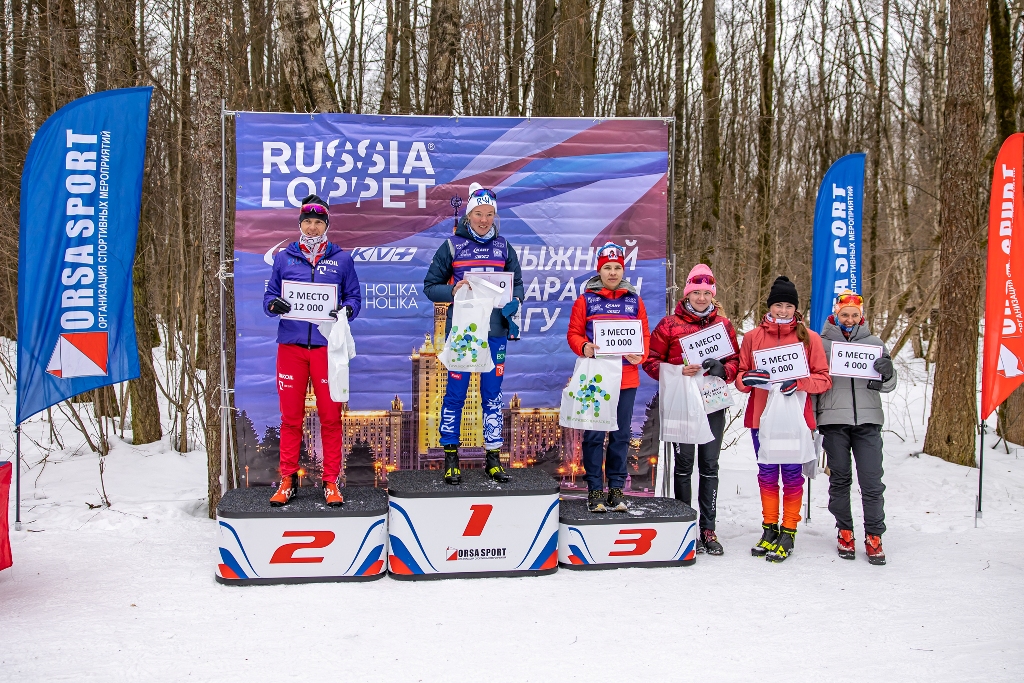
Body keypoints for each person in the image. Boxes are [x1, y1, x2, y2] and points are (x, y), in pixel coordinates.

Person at [264, 195, 362, 507]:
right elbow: (269, 296)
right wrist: (273, 305)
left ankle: (331, 481)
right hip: (291, 347)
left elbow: (355, 299)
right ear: (300, 224)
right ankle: (287, 478)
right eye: (307, 220)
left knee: (330, 417)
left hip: (325, 348)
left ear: (326, 225)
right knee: (291, 418)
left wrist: (344, 311)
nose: (312, 225)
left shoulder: (342, 259)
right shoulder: (284, 258)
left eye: (318, 221)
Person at [424, 183, 525, 485]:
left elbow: (517, 285)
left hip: (495, 333)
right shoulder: (452, 246)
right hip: (466, 335)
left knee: (492, 396)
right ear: (469, 215)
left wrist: (515, 302)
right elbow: (430, 286)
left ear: (495, 216)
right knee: (455, 395)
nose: (484, 220)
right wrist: (451, 289)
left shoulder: (504, 247)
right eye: (478, 214)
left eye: (489, 214)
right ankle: (451, 457)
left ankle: (493, 458)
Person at [642, 264, 739, 554]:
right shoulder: (669, 325)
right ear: (687, 293)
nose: (700, 298)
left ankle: (708, 529)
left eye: (705, 293)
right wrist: (675, 370)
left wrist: (724, 369)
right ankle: (685, 524)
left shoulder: (724, 326)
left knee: (709, 466)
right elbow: (649, 361)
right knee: (684, 467)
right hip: (682, 401)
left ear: (713, 295)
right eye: (695, 292)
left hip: (712, 401)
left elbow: (736, 363)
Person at [735, 276, 831, 562]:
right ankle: (769, 527)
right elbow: (740, 377)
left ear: (796, 309)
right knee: (766, 474)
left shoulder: (808, 337)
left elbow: (823, 379)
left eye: (789, 306)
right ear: (770, 306)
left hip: (796, 419)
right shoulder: (753, 337)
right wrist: (747, 378)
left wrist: (800, 382)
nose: (783, 311)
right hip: (762, 418)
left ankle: (788, 530)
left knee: (791, 475)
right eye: (778, 305)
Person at [567, 243, 651, 513]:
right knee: (593, 434)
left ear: (622, 270)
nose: (612, 273)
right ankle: (594, 489)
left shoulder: (634, 301)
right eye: (607, 268)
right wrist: (584, 347)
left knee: (621, 434)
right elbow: (574, 334)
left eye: (617, 268)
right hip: (597, 379)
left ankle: (616, 489)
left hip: (626, 378)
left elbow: (644, 336)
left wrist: (642, 354)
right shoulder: (586, 300)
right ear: (599, 270)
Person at [816, 290, 897, 565]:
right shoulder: (822, 343)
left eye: (854, 315)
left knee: (872, 481)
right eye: (844, 314)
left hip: (868, 421)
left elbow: (888, 384)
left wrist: (887, 371)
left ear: (861, 317)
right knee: (840, 479)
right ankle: (845, 530)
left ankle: (874, 535)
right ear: (835, 314)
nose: (849, 319)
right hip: (834, 421)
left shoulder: (874, 343)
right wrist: (814, 419)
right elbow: (815, 383)